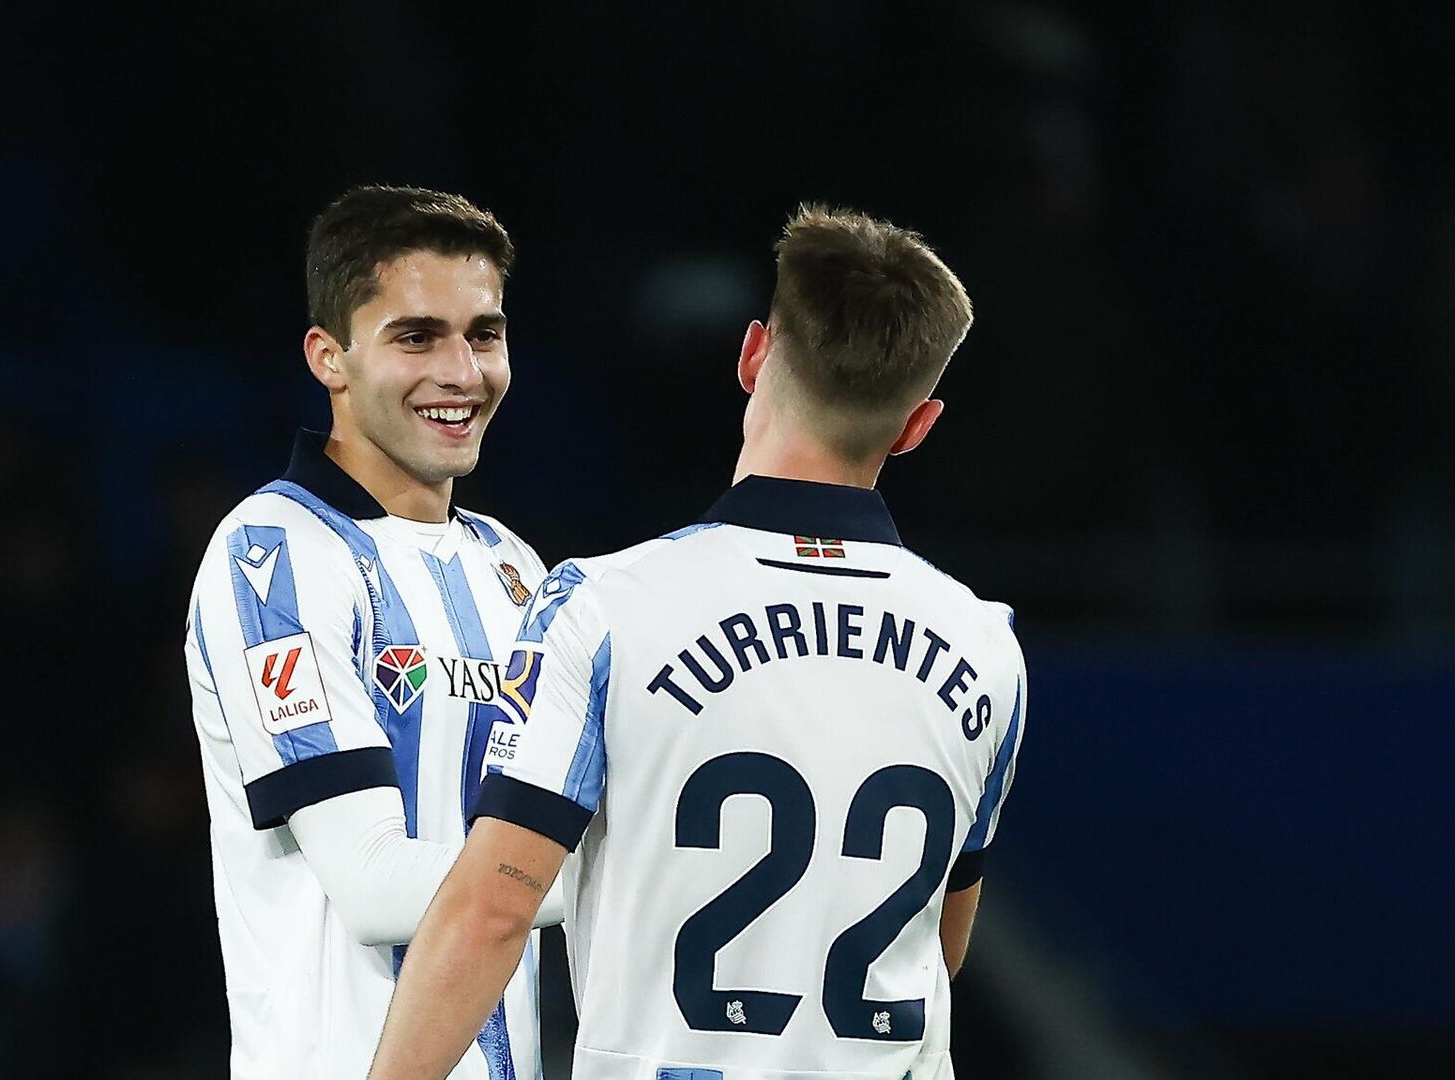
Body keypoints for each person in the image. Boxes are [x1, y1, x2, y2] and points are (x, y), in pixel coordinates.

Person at [369, 205, 1025, 1080]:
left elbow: (492, 912)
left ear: (752, 356)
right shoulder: (986, 645)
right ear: (917, 425)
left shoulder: (603, 608)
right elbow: (938, 945)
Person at [183, 185, 562, 1079]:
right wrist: (639, 872)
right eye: (417, 337)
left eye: (484, 335)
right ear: (331, 357)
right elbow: (371, 881)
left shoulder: (514, 568)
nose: (463, 372)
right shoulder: (272, 554)